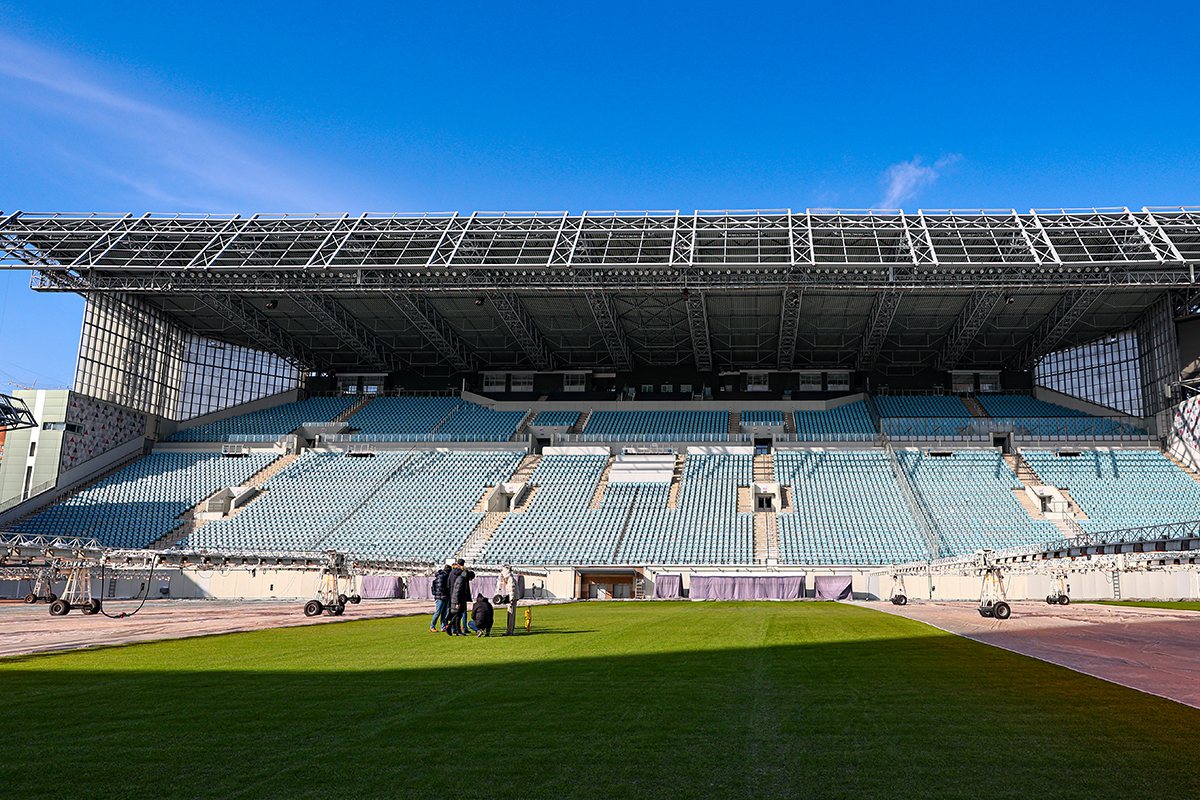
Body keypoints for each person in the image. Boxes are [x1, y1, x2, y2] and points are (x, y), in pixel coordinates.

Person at [446, 567, 475, 637]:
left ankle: (455, 629)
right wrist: (457, 603)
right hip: (458, 601)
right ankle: (454, 629)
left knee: (457, 615)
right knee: (457, 616)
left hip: (459, 600)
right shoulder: (462, 580)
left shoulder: (461, 579)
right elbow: (458, 592)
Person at [496, 563, 522, 636]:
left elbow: (512, 590)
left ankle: (510, 631)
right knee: (510, 615)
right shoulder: (510, 579)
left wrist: (511, 599)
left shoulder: (510, 579)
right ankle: (509, 630)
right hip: (512, 599)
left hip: (512, 600)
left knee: (511, 615)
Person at [430, 564, 452, 632]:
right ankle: (432, 626)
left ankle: (443, 627)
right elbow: (441, 587)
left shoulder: (444, 576)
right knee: (438, 612)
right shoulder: (441, 577)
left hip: (444, 596)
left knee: (444, 613)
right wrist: (448, 591)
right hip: (440, 597)